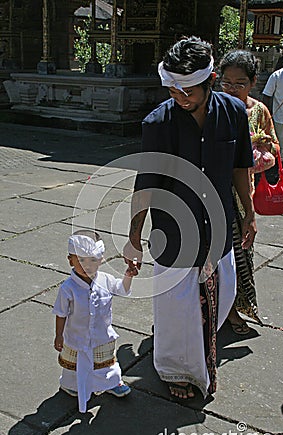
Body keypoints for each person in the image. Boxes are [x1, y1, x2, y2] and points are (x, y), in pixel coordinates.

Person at [123, 36, 256, 400]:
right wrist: (134, 236)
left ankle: (200, 356)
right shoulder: (158, 123)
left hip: (218, 226)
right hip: (173, 229)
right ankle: (174, 369)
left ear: (210, 80)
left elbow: (241, 166)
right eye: (173, 90)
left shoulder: (233, 112)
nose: (181, 98)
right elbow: (146, 183)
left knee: (221, 296)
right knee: (174, 305)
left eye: (189, 91)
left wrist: (249, 213)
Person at [219, 49, 280, 334]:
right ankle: (215, 310)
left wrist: (262, 146)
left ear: (253, 82)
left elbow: (276, 147)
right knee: (216, 255)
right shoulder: (212, 107)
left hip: (245, 193)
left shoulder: (258, 111)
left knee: (240, 254)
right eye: (226, 83)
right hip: (216, 191)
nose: (232, 89)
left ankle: (235, 309)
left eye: (239, 83)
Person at [53, 230, 138, 413]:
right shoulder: (68, 288)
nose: (87, 266)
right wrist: (58, 335)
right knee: (73, 365)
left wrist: (128, 276)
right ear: (71, 261)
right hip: (76, 336)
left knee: (105, 362)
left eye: (93, 260)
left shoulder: (106, 280)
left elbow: (122, 289)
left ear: (101, 260)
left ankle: (112, 382)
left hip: (102, 335)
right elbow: (61, 313)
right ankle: (71, 384)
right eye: (81, 260)